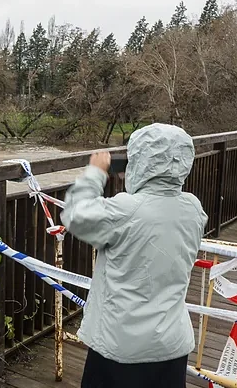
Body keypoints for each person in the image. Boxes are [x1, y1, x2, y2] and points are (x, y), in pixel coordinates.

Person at [61, 123, 208, 388]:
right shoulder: (193, 208)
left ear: (140, 162)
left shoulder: (125, 210)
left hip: (121, 348)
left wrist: (95, 173)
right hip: (172, 344)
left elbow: (75, 215)